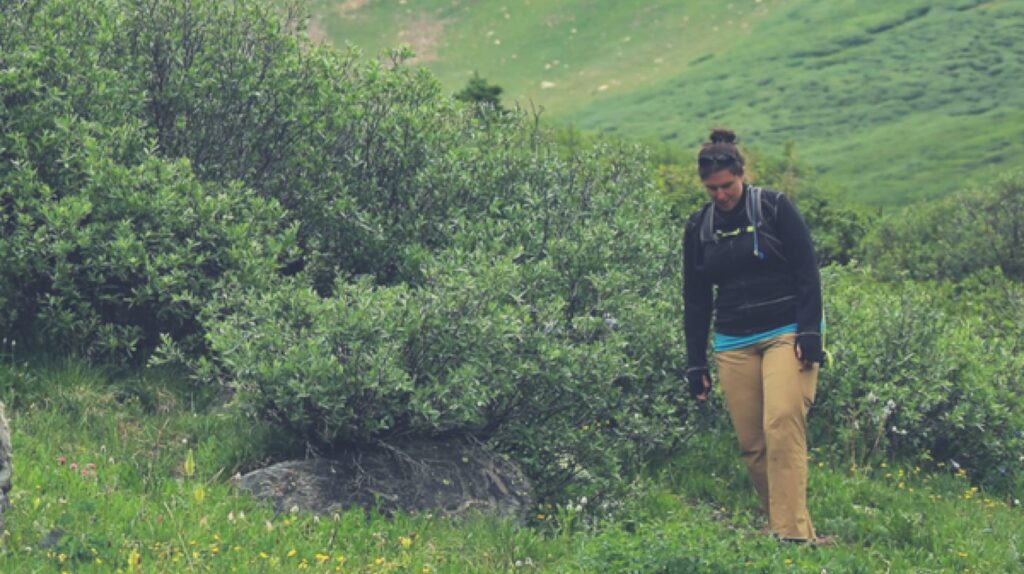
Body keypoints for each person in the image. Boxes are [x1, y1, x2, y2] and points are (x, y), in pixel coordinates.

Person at [682, 128, 823, 542]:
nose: (721, 195)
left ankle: (791, 538)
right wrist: (696, 362)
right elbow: (695, 298)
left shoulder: (775, 207)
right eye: (712, 189)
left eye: (727, 186)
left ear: (742, 174)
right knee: (753, 445)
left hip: (786, 332)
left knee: (781, 424)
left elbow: (807, 271)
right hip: (733, 341)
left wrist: (810, 332)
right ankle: (788, 528)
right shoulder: (698, 227)